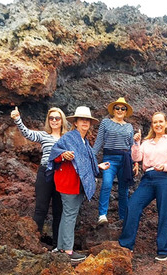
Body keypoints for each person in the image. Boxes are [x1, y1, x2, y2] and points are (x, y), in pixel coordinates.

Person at [48, 106, 110, 263]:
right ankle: (68, 251)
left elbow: (87, 160)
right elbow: (54, 153)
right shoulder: (68, 138)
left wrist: (98, 167)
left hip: (78, 183)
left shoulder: (84, 141)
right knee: (70, 214)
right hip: (68, 182)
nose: (85, 122)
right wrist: (63, 155)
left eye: (87, 120)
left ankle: (62, 248)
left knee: (68, 214)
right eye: (82, 119)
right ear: (75, 122)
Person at [119, 112, 167, 261]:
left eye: (160, 122)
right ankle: (126, 245)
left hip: (165, 178)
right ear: (152, 125)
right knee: (133, 206)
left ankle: (164, 251)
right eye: (155, 122)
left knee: (164, 212)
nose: (158, 124)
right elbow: (136, 158)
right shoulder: (146, 142)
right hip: (148, 178)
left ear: (165, 124)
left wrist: (163, 167)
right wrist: (136, 143)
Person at [10, 106, 68, 248]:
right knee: (40, 208)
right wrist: (18, 119)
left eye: (57, 118)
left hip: (61, 174)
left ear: (62, 120)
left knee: (58, 211)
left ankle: (57, 246)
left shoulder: (68, 138)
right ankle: (33, 243)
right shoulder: (43, 135)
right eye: (51, 118)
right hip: (45, 173)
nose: (54, 120)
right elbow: (28, 134)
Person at [93, 97, 135, 224]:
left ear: (126, 111)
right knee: (106, 184)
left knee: (124, 189)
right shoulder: (105, 123)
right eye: (117, 108)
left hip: (125, 160)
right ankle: (102, 215)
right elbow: (98, 142)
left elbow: (131, 146)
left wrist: (135, 163)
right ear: (113, 110)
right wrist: (91, 160)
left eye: (123, 108)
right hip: (109, 159)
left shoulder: (129, 126)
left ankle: (123, 217)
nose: (120, 110)